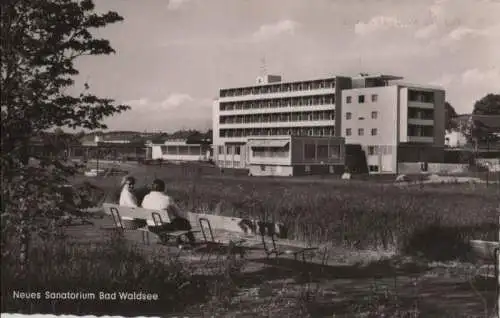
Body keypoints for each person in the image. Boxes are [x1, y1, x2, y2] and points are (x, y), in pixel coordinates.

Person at [141, 179, 195, 245]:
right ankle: (192, 242)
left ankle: (170, 240)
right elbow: (178, 213)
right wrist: (186, 217)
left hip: (151, 227)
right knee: (185, 222)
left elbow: (143, 207)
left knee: (176, 221)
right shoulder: (167, 198)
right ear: (163, 188)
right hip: (163, 227)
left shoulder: (146, 197)